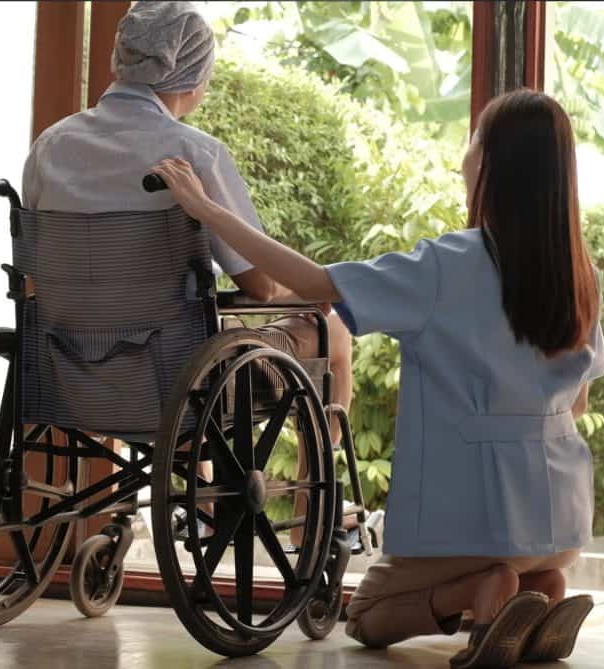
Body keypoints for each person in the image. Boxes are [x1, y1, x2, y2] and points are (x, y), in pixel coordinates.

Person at [150, 88, 604, 669]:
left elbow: (316, 284)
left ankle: (481, 591)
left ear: (494, 162)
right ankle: (541, 588)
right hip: (560, 521)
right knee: (524, 565)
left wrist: (209, 211)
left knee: (368, 615)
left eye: (474, 142)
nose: (464, 155)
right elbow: (578, 401)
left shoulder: (448, 265)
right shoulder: (579, 271)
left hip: (474, 520)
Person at [22, 1, 355, 543]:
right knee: (333, 330)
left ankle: (198, 501)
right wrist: (310, 289)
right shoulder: (191, 152)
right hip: (169, 376)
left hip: (68, 370)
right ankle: (312, 518)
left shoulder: (50, 147)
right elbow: (259, 285)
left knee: (188, 339)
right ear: (194, 77)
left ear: (119, 60)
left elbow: (39, 266)